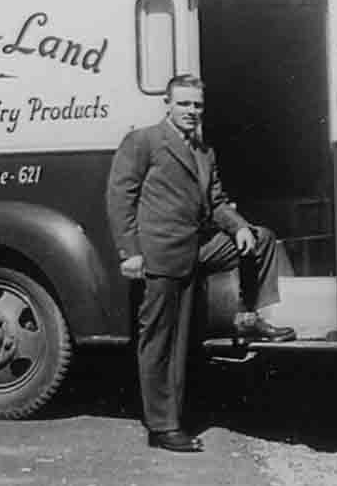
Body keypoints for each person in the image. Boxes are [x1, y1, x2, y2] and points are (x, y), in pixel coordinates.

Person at [106, 74, 296, 453]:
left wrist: (238, 227)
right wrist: (131, 252)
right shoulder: (143, 141)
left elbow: (217, 201)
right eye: (185, 104)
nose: (192, 111)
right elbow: (119, 196)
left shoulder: (205, 151)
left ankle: (249, 316)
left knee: (260, 240)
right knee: (163, 342)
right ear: (168, 104)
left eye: (197, 106)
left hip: (197, 246)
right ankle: (163, 428)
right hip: (160, 253)